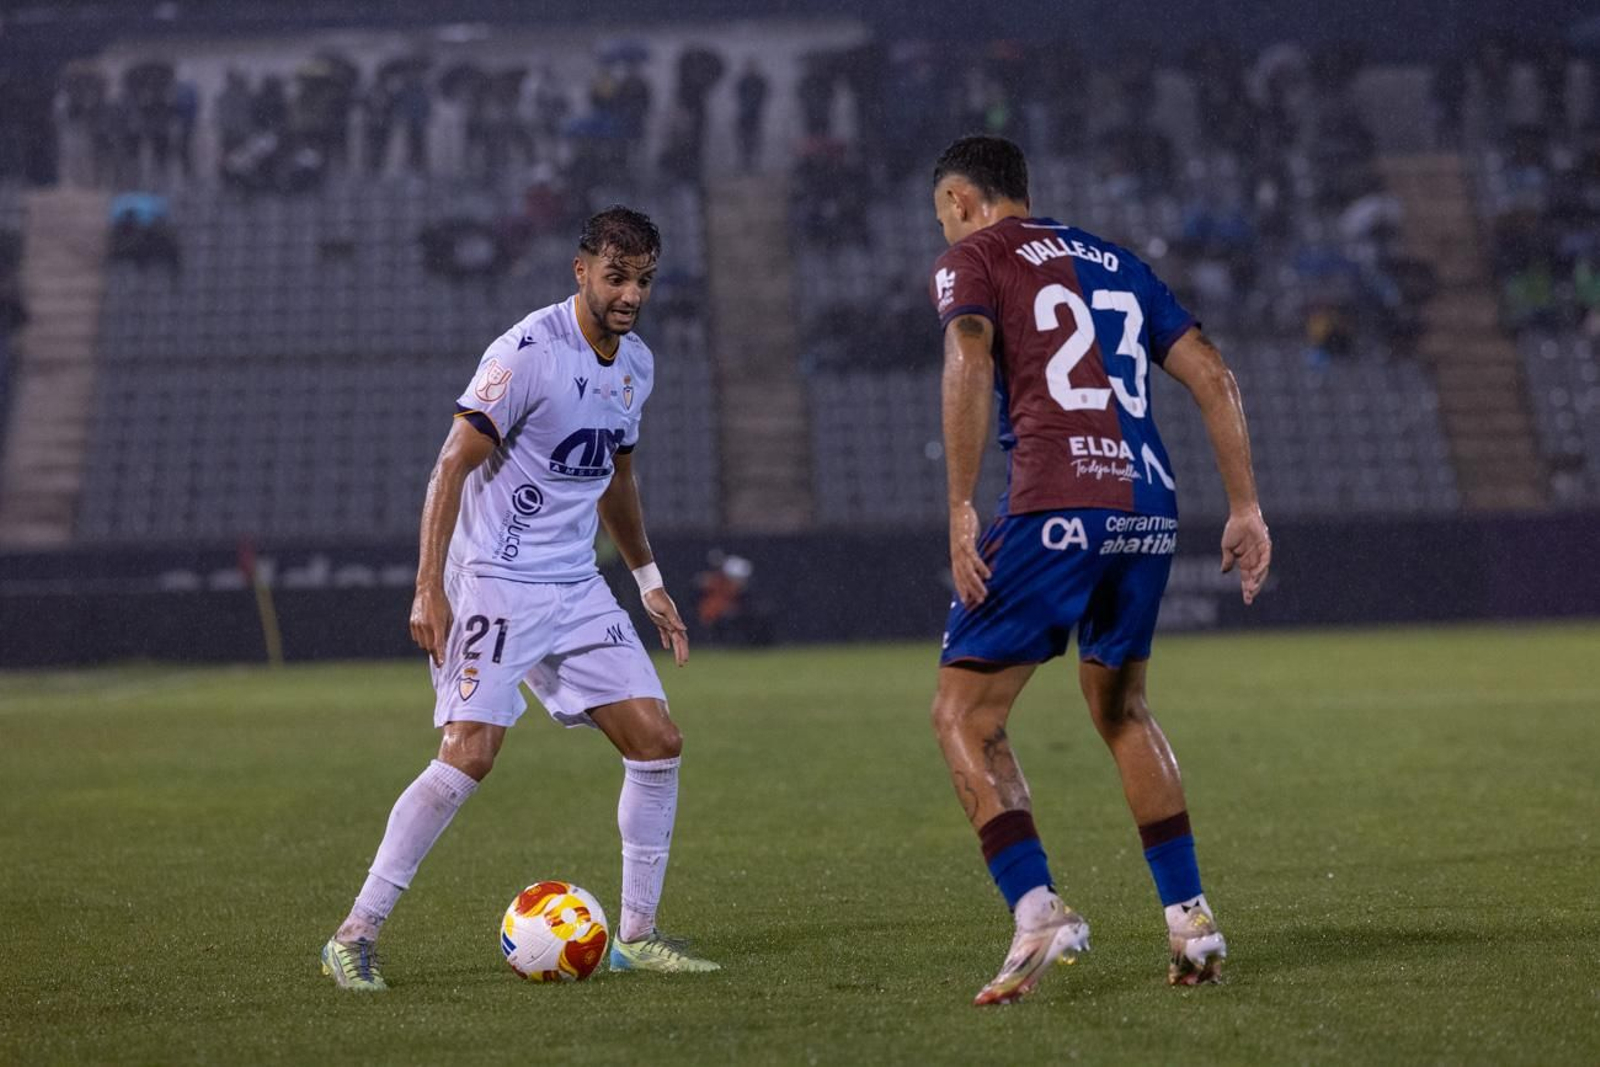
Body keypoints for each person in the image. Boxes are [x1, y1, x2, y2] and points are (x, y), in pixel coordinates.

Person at [320, 206, 721, 991]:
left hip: (574, 583)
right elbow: (450, 465)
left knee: (657, 740)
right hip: (495, 581)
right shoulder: (528, 352)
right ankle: (353, 933)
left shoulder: (637, 364)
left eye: (643, 280)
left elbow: (618, 479)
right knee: (469, 752)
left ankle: (638, 934)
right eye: (616, 277)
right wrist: (428, 587)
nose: (631, 294)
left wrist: (648, 581)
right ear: (582, 271)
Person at [925, 135, 1271, 1006]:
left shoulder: (975, 256)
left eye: (943, 215)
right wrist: (1244, 505)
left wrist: (961, 502)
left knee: (964, 711)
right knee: (1122, 709)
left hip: (1055, 503)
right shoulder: (1117, 261)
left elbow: (968, 353)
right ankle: (1191, 919)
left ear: (961, 199)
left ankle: (1037, 908)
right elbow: (1213, 372)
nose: (945, 230)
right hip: (1149, 507)